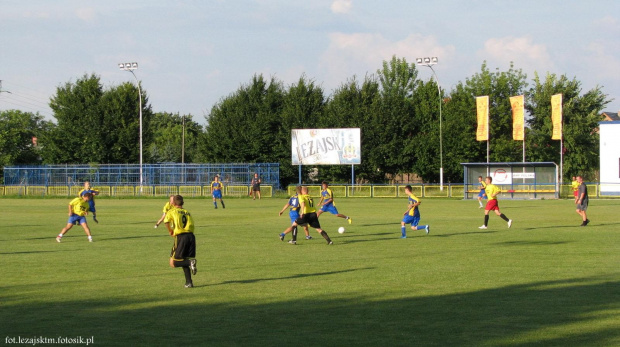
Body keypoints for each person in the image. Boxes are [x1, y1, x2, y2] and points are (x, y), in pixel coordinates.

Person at [164, 195, 197, 288]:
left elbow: (166, 221)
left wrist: (170, 231)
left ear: (174, 203)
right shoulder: (187, 212)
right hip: (191, 236)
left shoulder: (172, 211)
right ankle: (189, 282)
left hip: (181, 237)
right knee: (183, 259)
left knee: (173, 263)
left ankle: (190, 263)